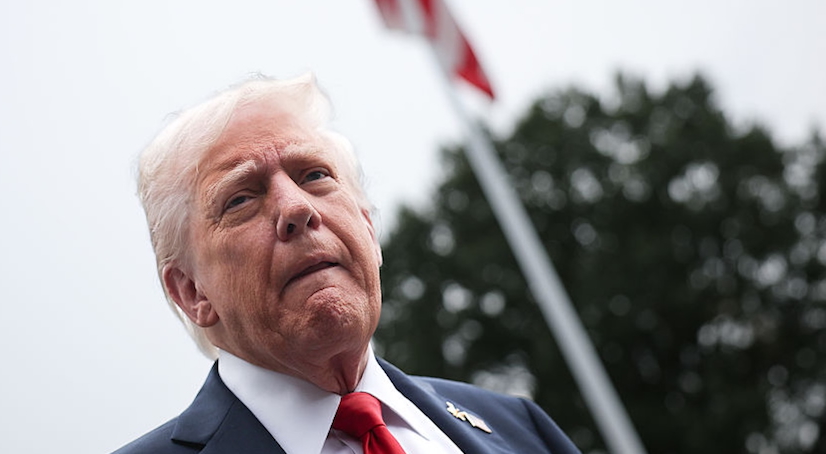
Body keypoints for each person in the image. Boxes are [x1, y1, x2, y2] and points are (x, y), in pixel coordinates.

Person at [114, 73, 580, 454]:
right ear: (191, 292)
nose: (296, 208)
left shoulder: (522, 430)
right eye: (240, 198)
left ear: (369, 230)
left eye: (314, 175)